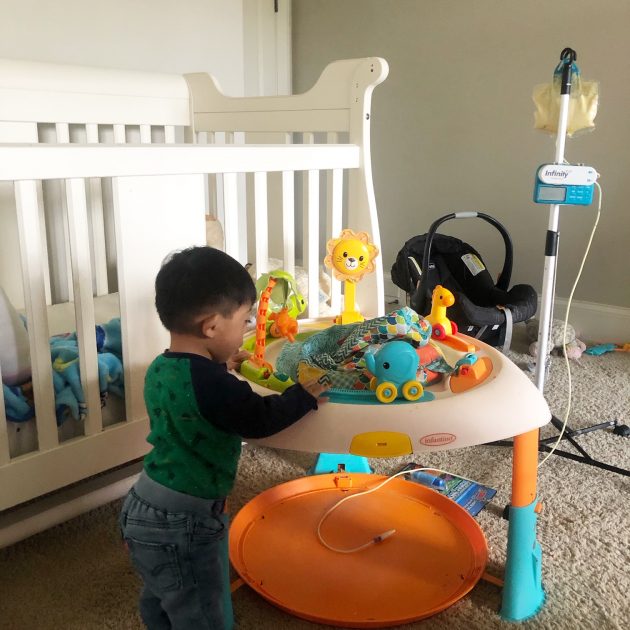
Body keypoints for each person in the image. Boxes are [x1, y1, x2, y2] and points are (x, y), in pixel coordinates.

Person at [119, 246, 329, 630]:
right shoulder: (216, 387)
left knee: (163, 590)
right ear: (212, 327)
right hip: (186, 520)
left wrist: (221, 365)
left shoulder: (161, 366)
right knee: (202, 608)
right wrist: (301, 397)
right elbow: (259, 419)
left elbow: (194, 395)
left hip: (143, 502)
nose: (247, 329)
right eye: (245, 320)